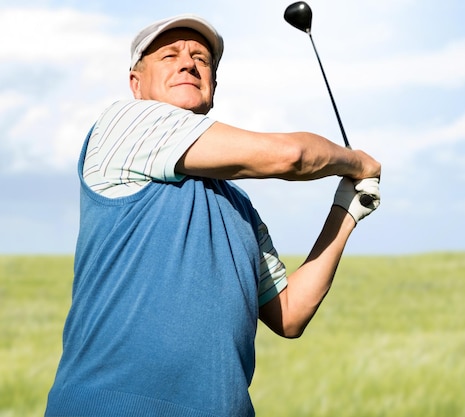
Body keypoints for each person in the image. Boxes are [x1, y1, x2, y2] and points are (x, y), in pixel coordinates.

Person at [45, 14, 381, 417]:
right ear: (136, 84)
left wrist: (347, 210)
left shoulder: (237, 204)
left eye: (201, 59)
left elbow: (289, 314)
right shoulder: (122, 126)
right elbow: (292, 157)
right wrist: (355, 161)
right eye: (169, 55)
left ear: (213, 88)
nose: (187, 63)